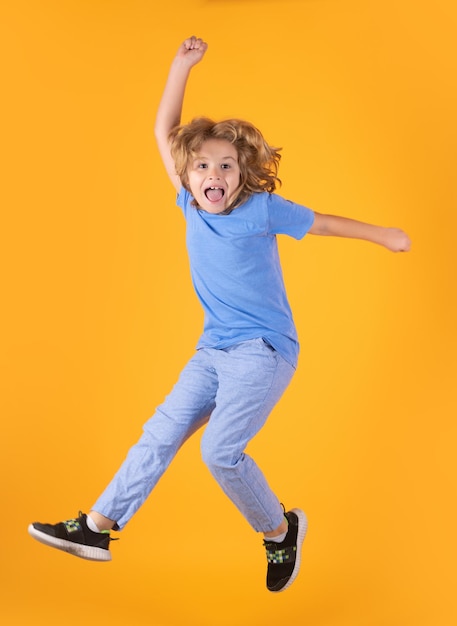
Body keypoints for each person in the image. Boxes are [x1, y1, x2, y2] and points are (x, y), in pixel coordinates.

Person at [28, 36, 411, 593]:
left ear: (244, 172)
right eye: (204, 165)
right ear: (188, 175)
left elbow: (323, 222)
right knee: (158, 434)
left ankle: (280, 531)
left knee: (218, 452)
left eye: (227, 165)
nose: (215, 174)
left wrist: (386, 236)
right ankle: (96, 528)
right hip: (213, 350)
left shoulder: (261, 208)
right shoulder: (189, 201)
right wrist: (180, 66)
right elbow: (165, 131)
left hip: (264, 350)